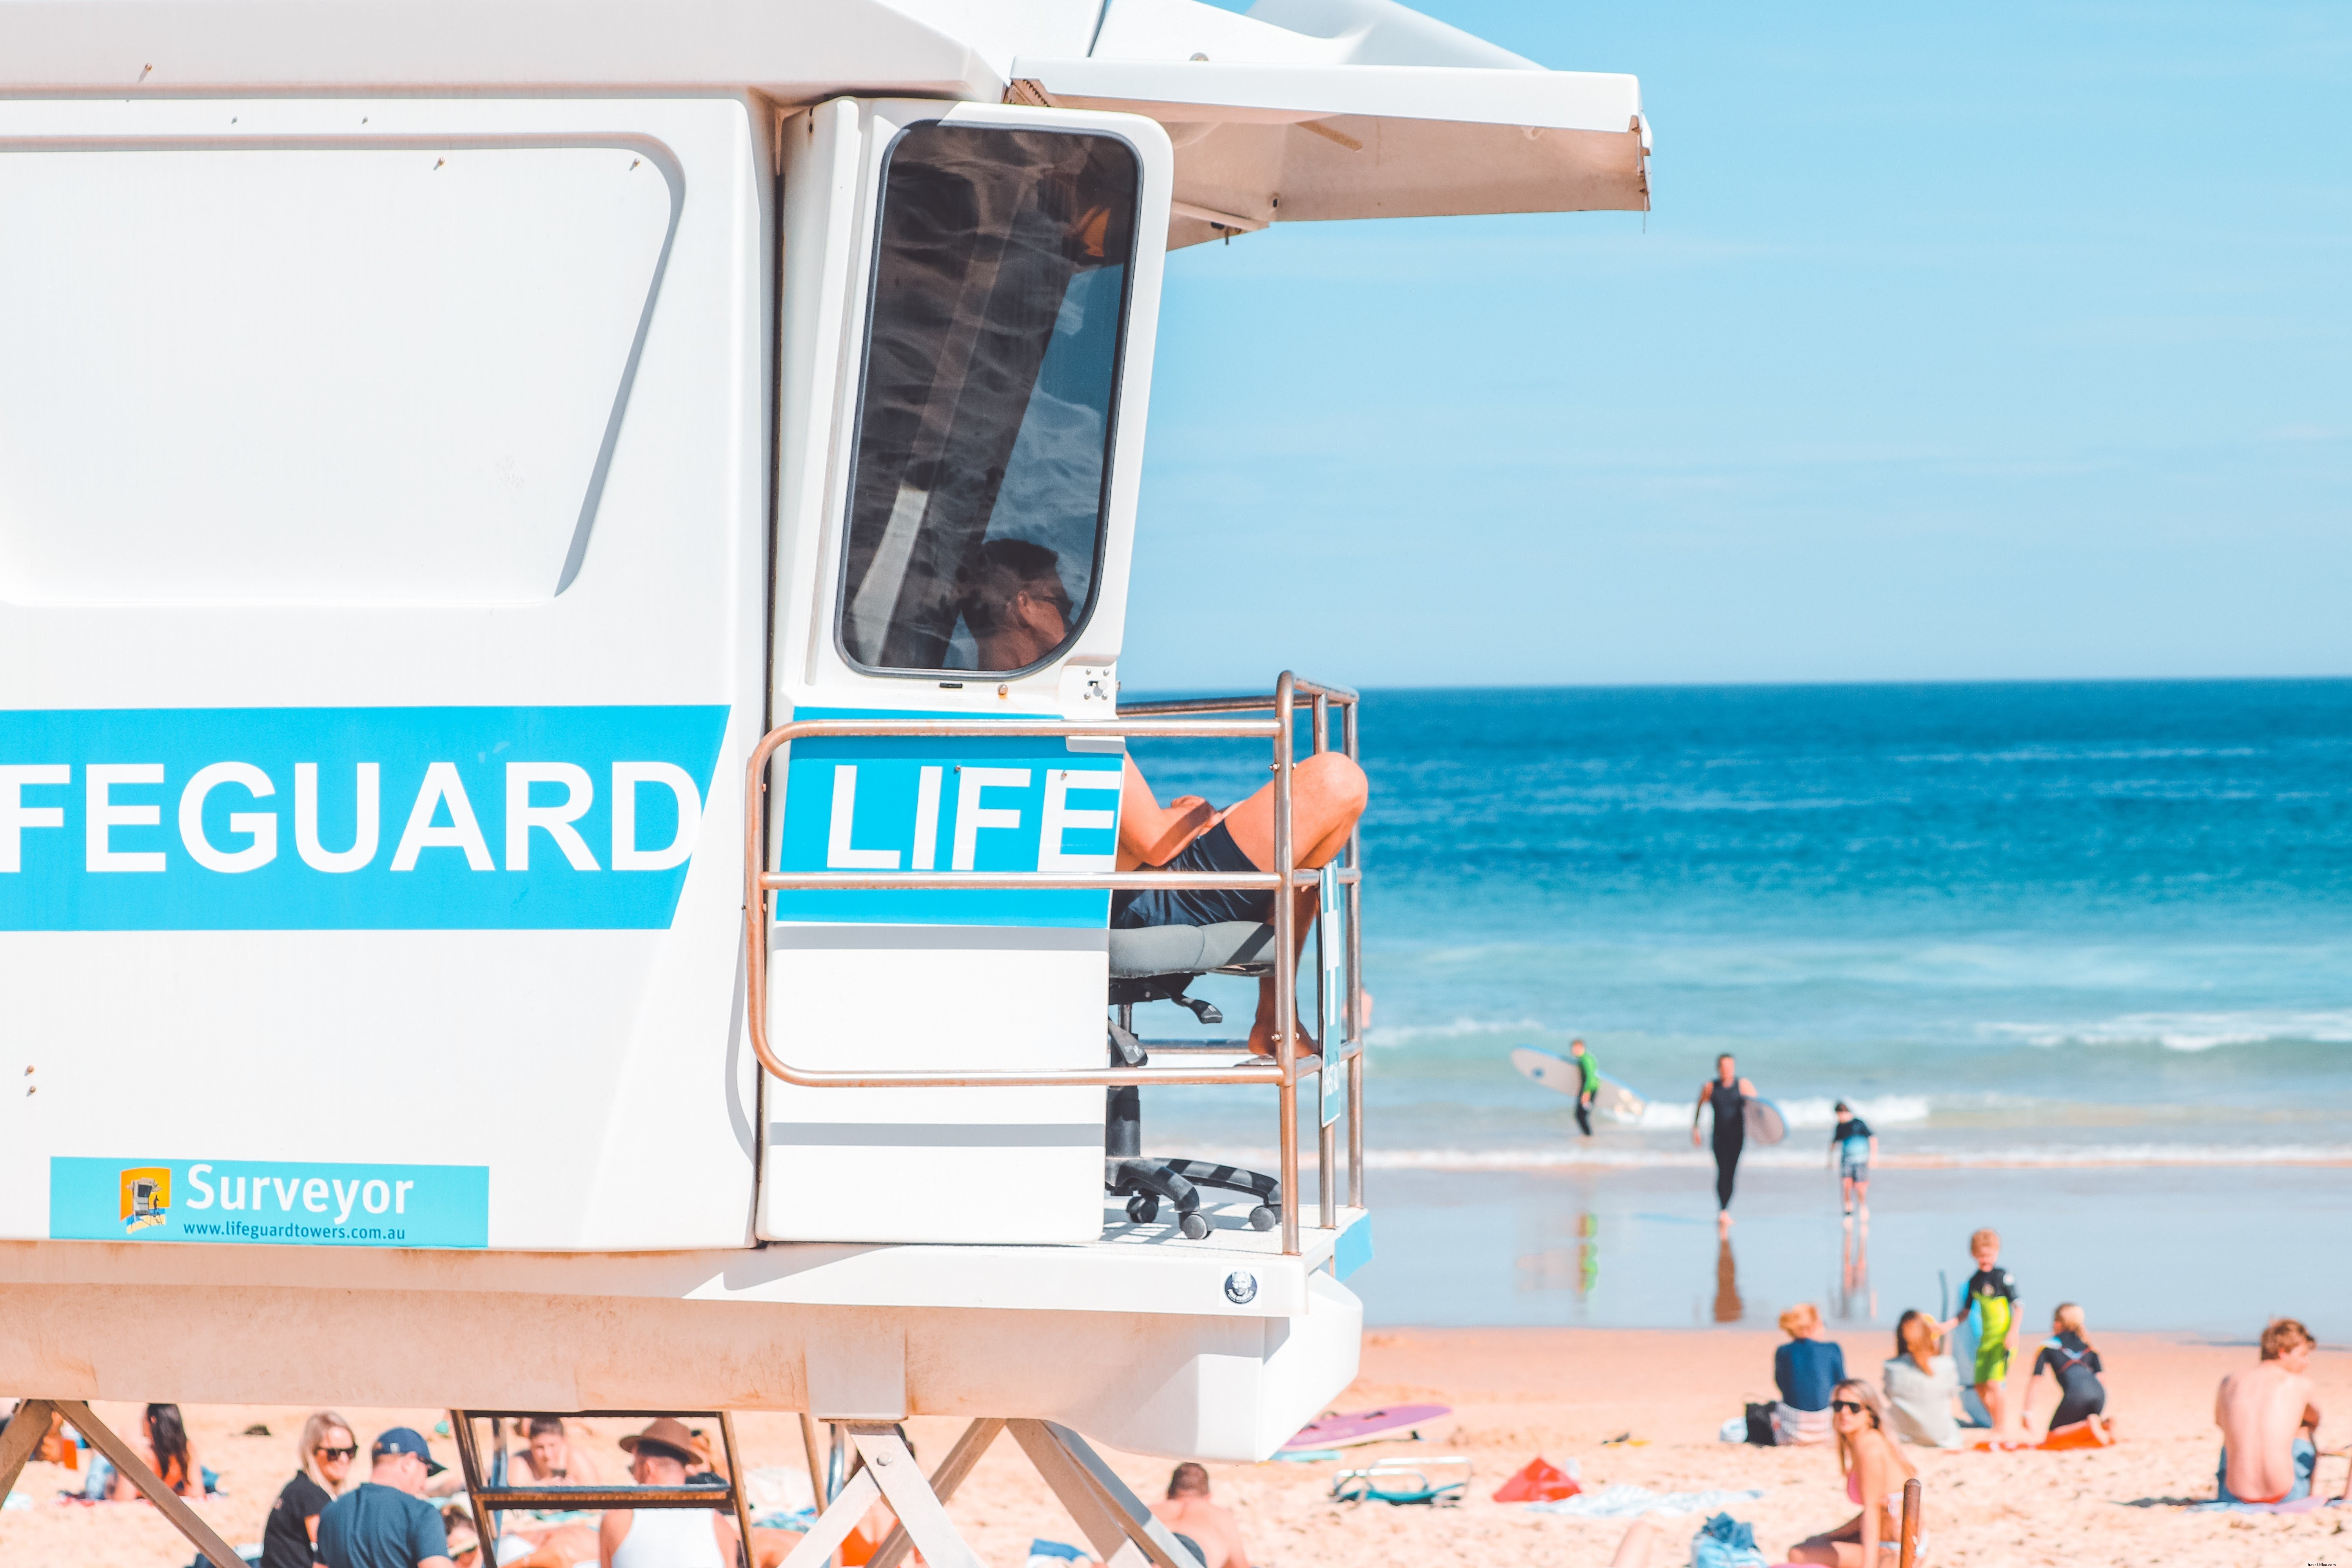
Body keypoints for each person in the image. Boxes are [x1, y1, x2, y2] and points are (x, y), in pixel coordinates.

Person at [1787, 1381, 1924, 1566]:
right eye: (1838, 1406)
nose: (1844, 1412)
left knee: (1799, 1554)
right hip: (1899, 1541)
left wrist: (1869, 1566)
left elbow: (1873, 1511)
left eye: (1854, 1407)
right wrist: (1830, 1535)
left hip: (1897, 1550)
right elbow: (1877, 1510)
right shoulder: (1867, 1441)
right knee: (1812, 1544)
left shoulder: (1868, 1447)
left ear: (1871, 1415)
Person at [597, 1417, 739, 1568]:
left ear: (649, 1468)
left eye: (633, 1469)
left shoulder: (616, 1521)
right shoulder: (719, 1525)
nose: (633, 1476)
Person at [2215, 1317, 2322, 1504]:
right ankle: (2308, 1494)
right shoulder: (2301, 1384)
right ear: (2283, 1353)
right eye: (2303, 1355)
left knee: (2235, 1434)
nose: (2307, 1363)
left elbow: (2219, 1422)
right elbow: (2316, 1422)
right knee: (2304, 1429)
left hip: (2233, 1493)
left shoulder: (2229, 1381)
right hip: (2285, 1494)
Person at [317, 1428, 454, 1568]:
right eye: (428, 1469)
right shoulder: (421, 1514)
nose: (424, 1485)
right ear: (409, 1462)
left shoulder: (332, 1511)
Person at [1943, 1227, 2020, 1440]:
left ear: (1997, 1253)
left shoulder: (2004, 1277)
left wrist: (2013, 1333)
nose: (1985, 1259)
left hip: (2002, 1340)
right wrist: (1945, 1327)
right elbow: (1964, 1314)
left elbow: (2019, 1307)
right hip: (1985, 1342)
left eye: (1989, 1255)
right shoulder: (1974, 1281)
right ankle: (1997, 1420)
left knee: (1995, 1384)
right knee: (1979, 1386)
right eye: (1981, 1256)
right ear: (1974, 1255)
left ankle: (2001, 1427)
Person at [263, 1411, 360, 1568]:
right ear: (313, 1452)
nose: (344, 1460)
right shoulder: (310, 1494)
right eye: (334, 1453)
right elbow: (330, 1549)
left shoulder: (301, 1486)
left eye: (350, 1452)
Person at [1690, 1054, 1757, 1233]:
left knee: (1732, 1172)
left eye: (1731, 1066)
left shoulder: (1743, 1085)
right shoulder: (1710, 1087)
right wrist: (1696, 1128)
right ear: (1718, 1068)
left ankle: (1725, 1210)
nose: (1728, 1070)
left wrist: (1762, 1133)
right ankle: (1723, 1210)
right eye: (1724, 1067)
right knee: (1722, 1171)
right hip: (1719, 1137)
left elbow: (1759, 1109)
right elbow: (1699, 1106)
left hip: (1737, 1137)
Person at [1881, 1310, 1963, 1449]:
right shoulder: (1947, 1365)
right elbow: (1952, 1393)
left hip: (1902, 1435)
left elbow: (1888, 1394)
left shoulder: (1892, 1367)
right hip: (1941, 1437)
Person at [2029, 1302, 2111, 1439]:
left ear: (2058, 1324)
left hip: (2076, 1396)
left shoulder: (2048, 1347)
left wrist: (2027, 1412)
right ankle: (2107, 1426)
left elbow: (2036, 1380)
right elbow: (2101, 1380)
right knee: (2078, 1433)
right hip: (2099, 1395)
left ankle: (2088, 1426)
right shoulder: (2090, 1347)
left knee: (2052, 1436)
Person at [1773, 1303, 1847, 1446]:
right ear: (1809, 1328)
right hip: (1827, 1429)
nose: (1824, 1328)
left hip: (1791, 1433)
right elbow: (1843, 1385)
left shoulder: (1783, 1352)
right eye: (1821, 1323)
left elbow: (1781, 1385)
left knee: (1772, 1410)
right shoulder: (1833, 1349)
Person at [1149, 1463, 1250, 1568]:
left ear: (1168, 1493)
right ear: (1208, 1497)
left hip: (1146, 1550)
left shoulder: (1150, 1510)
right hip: (1191, 1554)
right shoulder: (1221, 1516)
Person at [109, 1402, 203, 1499]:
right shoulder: (185, 1451)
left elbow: (123, 1498)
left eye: (144, 1418)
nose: (142, 1423)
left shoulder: (140, 1455)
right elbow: (196, 1494)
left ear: (153, 1421)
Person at [509, 1417, 601, 1486]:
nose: (548, 1454)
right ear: (530, 1445)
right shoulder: (521, 1462)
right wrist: (540, 1491)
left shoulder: (576, 1459)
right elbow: (513, 1504)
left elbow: (596, 1508)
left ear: (564, 1441)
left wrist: (576, 1496)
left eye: (553, 1445)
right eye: (540, 1447)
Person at [1828, 1102, 1876, 1224]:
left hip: (1861, 1160)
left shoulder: (1859, 1123)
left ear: (1843, 1113)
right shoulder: (1840, 1126)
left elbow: (1872, 1138)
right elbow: (1834, 1143)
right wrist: (1830, 1160)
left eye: (1839, 1115)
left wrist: (1873, 1157)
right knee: (1846, 1184)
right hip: (1846, 1160)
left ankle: (1863, 1207)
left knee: (1860, 1186)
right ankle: (1848, 1210)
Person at [1569, 1039, 1600, 1136]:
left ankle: (1588, 1136)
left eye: (1575, 1048)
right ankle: (1587, 1136)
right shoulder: (1584, 1058)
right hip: (1589, 1089)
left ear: (1581, 1047)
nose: (1573, 1051)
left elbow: (1591, 1077)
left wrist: (1586, 1093)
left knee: (1581, 1115)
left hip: (1590, 1089)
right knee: (1581, 1115)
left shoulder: (1586, 1059)